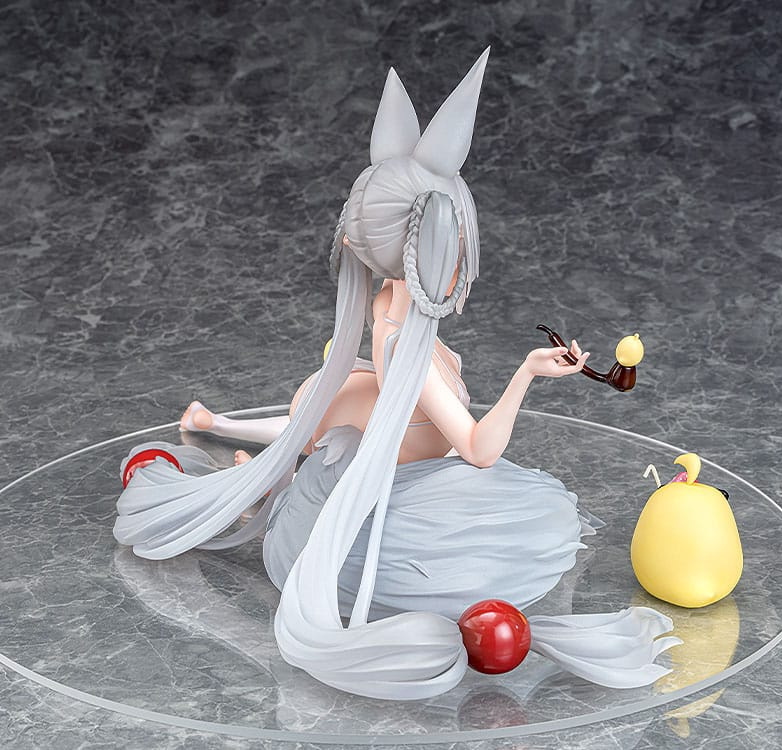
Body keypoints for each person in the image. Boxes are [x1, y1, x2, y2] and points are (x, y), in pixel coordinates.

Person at [114, 49, 679, 700]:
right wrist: (527, 372)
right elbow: (479, 449)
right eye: (456, 244)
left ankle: (242, 456)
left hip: (383, 455)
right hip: (411, 490)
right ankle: (256, 477)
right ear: (429, 248)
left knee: (321, 419)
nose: (464, 262)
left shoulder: (388, 308)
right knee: (490, 516)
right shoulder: (399, 345)